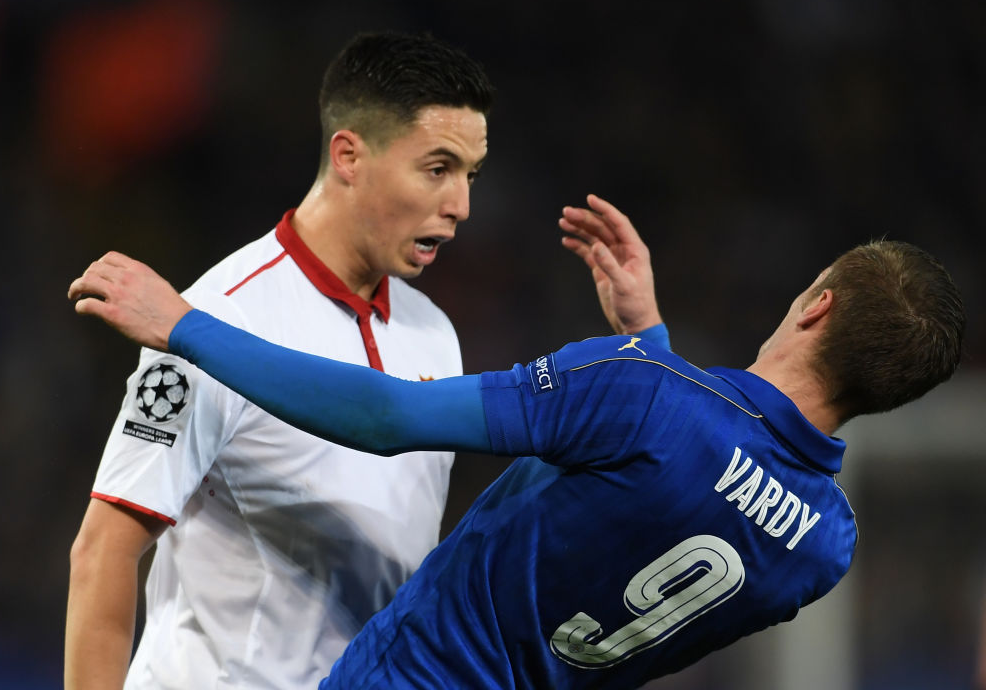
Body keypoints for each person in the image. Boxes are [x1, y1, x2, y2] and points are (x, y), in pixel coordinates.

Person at [69, 223, 965, 688]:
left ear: (816, 304)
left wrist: (185, 326)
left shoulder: (642, 394)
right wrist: (650, 341)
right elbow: (680, 497)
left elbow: (387, 414)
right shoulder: (825, 547)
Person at [67, 31, 509, 690]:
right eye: (437, 168)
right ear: (349, 155)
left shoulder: (435, 334)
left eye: (470, 174)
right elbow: (103, 552)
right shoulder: (212, 322)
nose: (461, 206)